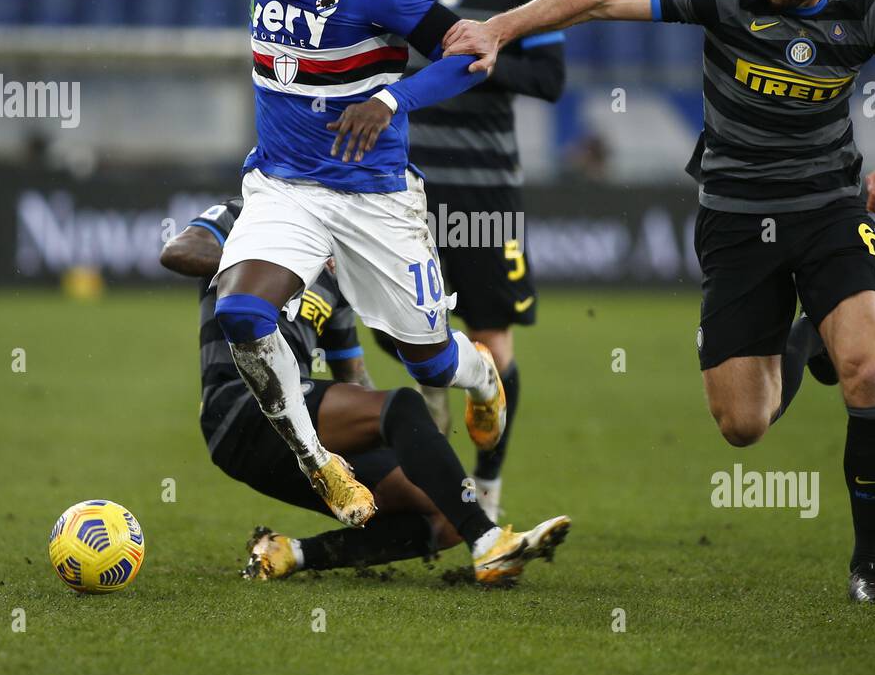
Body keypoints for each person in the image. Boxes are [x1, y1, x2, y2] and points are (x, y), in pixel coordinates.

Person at [444, 0, 875, 604]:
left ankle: (870, 568)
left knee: (870, 374)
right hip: (735, 216)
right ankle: (806, 340)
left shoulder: (871, 3)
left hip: (829, 209)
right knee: (743, 425)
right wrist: (498, 30)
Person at [209, 0, 510, 530]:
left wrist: (390, 97)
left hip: (373, 196)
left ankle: (481, 373)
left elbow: (468, 56)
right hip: (284, 186)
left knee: (426, 359)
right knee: (241, 313)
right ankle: (320, 462)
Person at [161, 199, 571, 585]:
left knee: (446, 512)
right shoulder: (249, 212)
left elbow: (354, 380)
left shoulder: (336, 268)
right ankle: (488, 544)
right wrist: (261, 265)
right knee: (402, 404)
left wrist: (416, 450)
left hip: (295, 435)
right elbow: (177, 251)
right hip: (238, 410)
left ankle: (288, 554)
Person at [391, 0, 566, 520]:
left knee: (493, 340)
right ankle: (444, 478)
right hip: (405, 187)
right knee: (408, 331)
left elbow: (550, 79)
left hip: (487, 187)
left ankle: (487, 489)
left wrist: (490, 63)